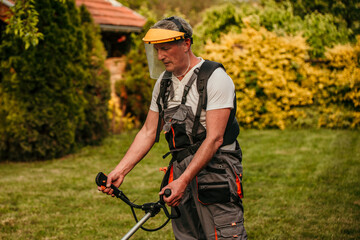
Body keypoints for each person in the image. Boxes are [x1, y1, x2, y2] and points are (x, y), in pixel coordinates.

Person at [99, 16, 247, 240]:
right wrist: (120, 171)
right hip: (180, 168)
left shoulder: (214, 78)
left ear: (186, 44)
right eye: (157, 50)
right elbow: (149, 132)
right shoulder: (164, 83)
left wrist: (184, 180)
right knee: (187, 236)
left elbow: (215, 139)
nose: (160, 56)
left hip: (216, 168)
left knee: (224, 234)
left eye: (166, 49)